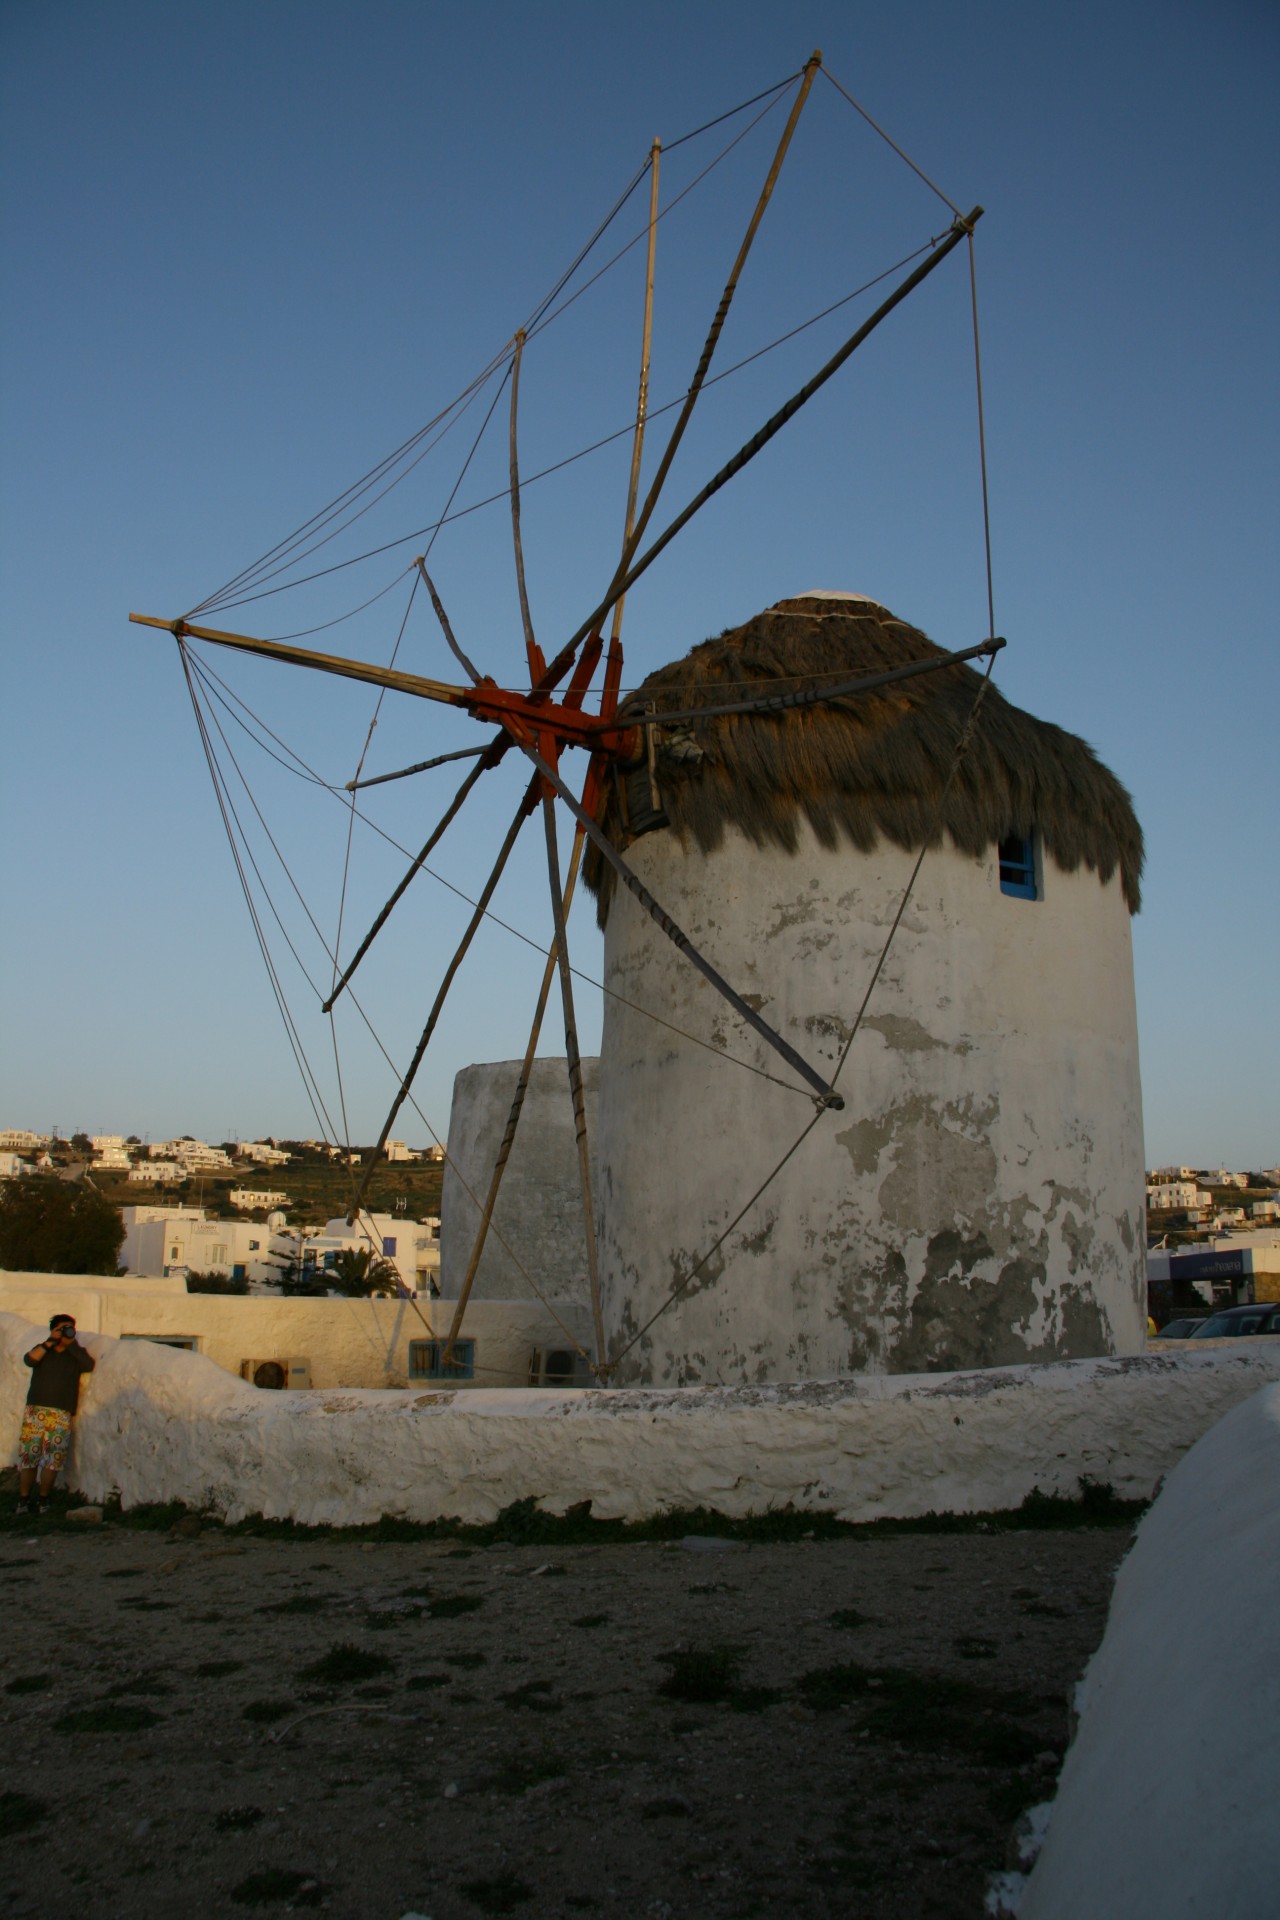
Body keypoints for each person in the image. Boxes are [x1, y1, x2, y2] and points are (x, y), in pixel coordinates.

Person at [15, 1313, 95, 1516]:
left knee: (53, 1459)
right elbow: (29, 1360)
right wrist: (50, 1341)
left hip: (61, 1413)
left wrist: (71, 1344)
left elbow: (88, 1365)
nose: (67, 1331)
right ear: (53, 1329)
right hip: (35, 1411)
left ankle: (43, 1499)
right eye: (62, 1328)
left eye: (70, 1328)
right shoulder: (44, 1350)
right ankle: (23, 1500)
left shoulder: (75, 1352)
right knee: (29, 1457)